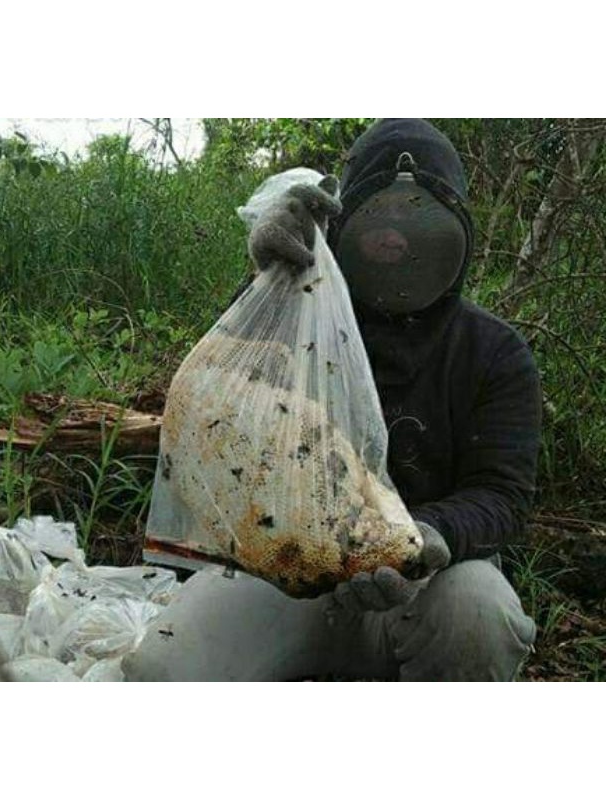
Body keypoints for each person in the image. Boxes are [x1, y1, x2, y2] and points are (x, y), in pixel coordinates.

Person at [123, 118, 542, 682]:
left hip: (426, 586)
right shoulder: (302, 316)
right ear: (343, 225)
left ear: (457, 228)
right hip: (283, 572)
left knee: (478, 615)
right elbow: (221, 395)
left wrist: (419, 538)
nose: (396, 239)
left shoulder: (493, 351)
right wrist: (271, 279)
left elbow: (503, 494)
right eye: (380, 220)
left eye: (416, 219)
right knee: (164, 669)